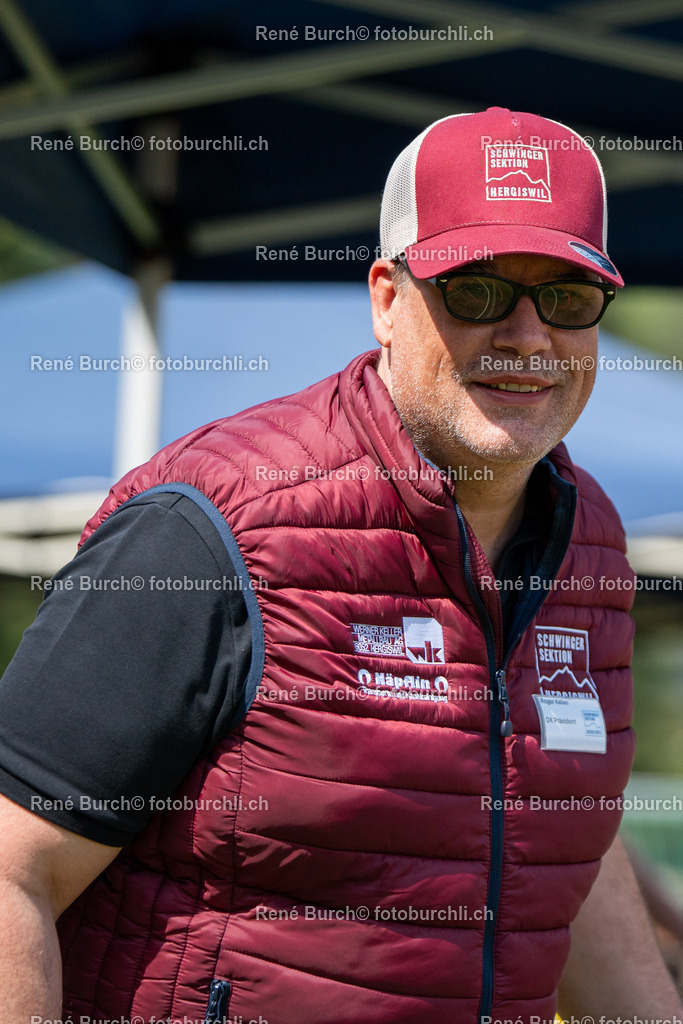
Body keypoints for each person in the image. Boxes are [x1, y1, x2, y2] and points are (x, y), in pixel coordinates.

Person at [0, 107, 680, 1024]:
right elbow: (13, 871)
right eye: (476, 290)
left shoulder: (587, 537)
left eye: (565, 295)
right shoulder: (214, 526)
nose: (527, 336)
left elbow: (561, 843)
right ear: (387, 299)